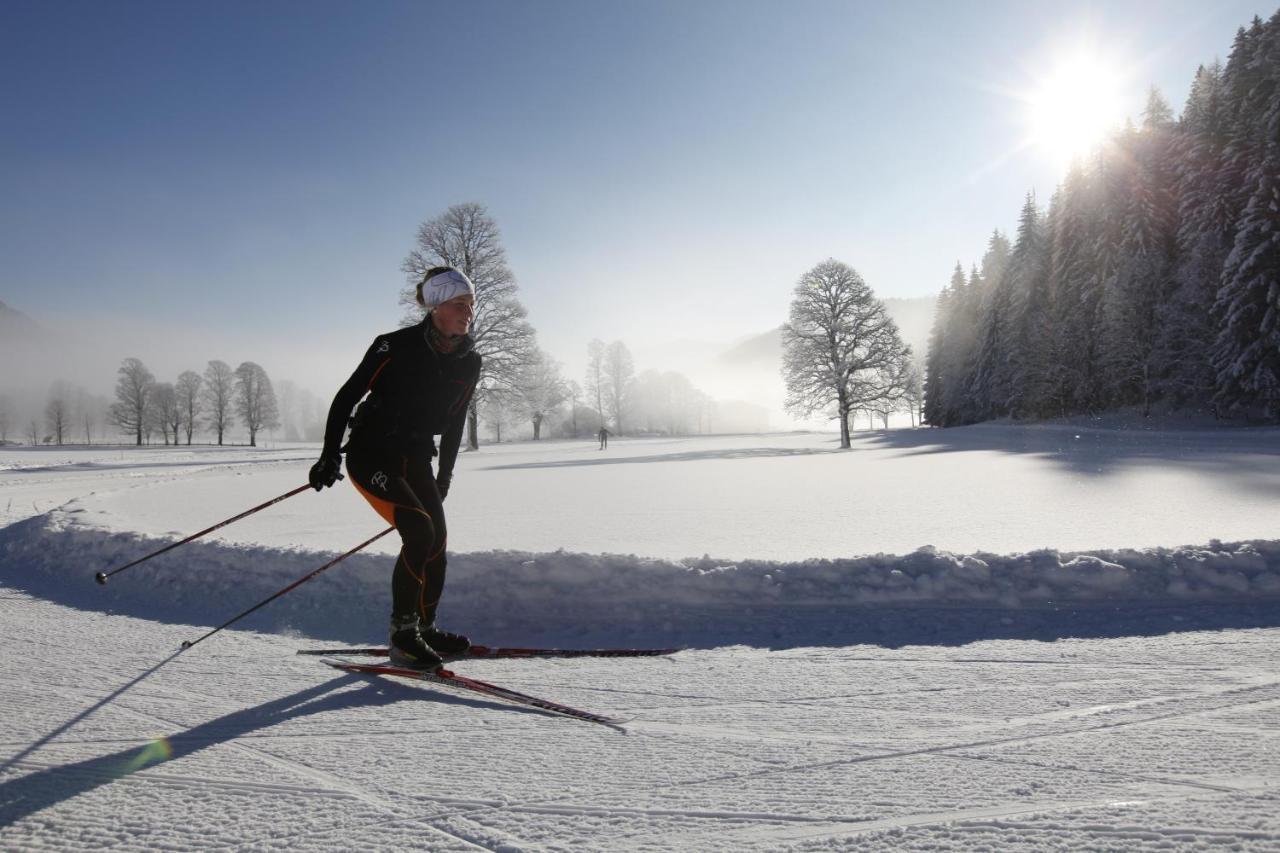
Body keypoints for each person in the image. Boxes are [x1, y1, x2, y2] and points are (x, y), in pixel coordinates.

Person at [309, 266, 481, 670]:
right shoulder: (393, 346)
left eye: (471, 304)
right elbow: (347, 395)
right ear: (437, 305)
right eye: (459, 303)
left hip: (416, 457)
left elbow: (455, 422)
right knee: (419, 532)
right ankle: (403, 636)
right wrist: (329, 454)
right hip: (372, 454)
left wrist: (445, 477)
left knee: (437, 540)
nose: (468, 312)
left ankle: (426, 627)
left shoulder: (469, 361)